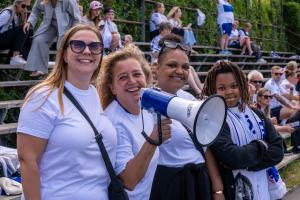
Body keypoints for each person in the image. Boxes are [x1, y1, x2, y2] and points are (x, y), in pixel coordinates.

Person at [17, 24, 117, 200]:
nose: (87, 51)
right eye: (78, 45)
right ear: (64, 54)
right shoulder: (43, 96)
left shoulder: (94, 94)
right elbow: (27, 161)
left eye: (95, 46)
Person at [150, 35, 224, 200]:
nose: (180, 71)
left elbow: (205, 148)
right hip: (169, 185)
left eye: (185, 67)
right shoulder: (145, 103)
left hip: (199, 180)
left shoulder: (189, 98)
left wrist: (217, 189)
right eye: (172, 65)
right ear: (156, 68)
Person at [97, 44, 172, 199]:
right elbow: (129, 181)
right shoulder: (113, 121)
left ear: (146, 77)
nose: (132, 81)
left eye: (137, 74)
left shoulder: (145, 106)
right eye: (123, 77)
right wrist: (152, 141)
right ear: (112, 88)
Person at [201, 60, 284, 200]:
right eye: (221, 88)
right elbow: (233, 157)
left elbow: (278, 150)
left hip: (264, 187)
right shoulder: (214, 119)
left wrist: (248, 163)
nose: (229, 92)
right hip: (236, 190)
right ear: (212, 90)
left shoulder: (256, 114)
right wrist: (262, 145)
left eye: (234, 86)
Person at [23, 0, 81, 77]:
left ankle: (62, 72)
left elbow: (77, 18)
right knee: (39, 40)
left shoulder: (69, 1)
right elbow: (36, 10)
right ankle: (40, 69)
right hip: (49, 24)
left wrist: (73, 33)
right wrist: (29, 22)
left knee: (61, 46)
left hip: (67, 26)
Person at [0, 0, 32, 65]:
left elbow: (21, 37)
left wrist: (24, 19)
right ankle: (15, 57)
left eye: (27, 7)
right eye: (23, 6)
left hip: (6, 41)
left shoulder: (20, 15)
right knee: (23, 28)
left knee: (30, 30)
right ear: (17, 4)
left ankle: (25, 58)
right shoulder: (8, 13)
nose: (25, 9)